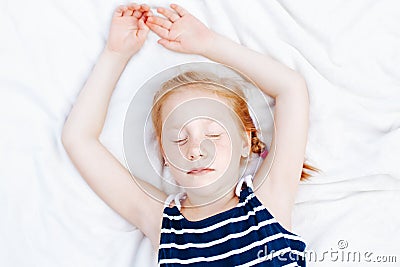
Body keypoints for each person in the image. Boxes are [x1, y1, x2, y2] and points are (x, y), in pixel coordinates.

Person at [62, 3, 319, 266]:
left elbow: (291, 88)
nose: (196, 150)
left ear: (244, 142)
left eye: (214, 134)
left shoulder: (266, 202)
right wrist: (115, 54)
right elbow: (78, 139)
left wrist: (209, 44)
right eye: (179, 140)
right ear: (165, 156)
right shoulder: (166, 227)